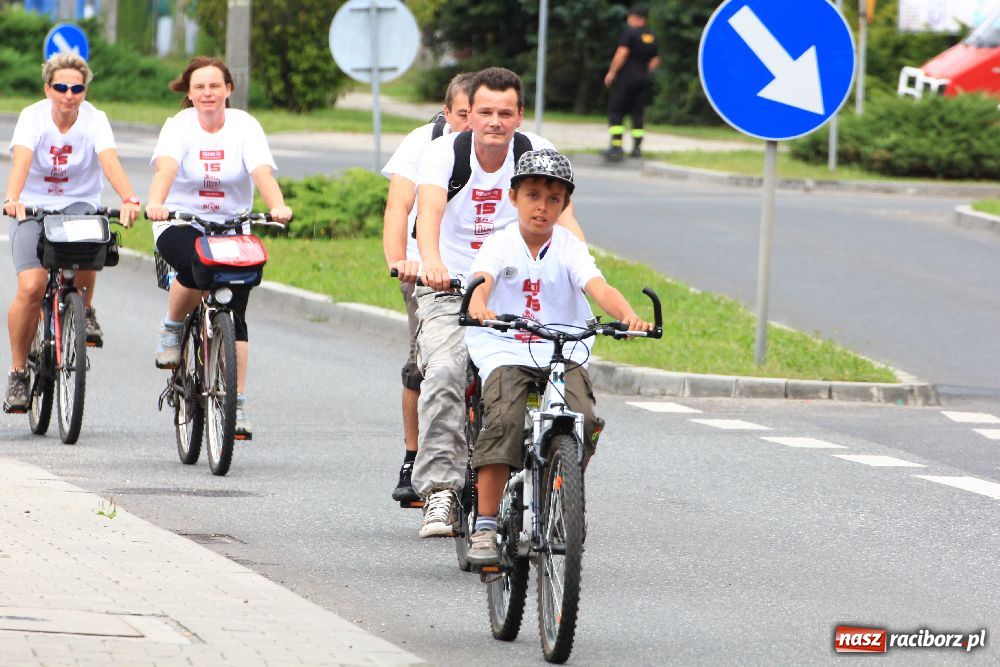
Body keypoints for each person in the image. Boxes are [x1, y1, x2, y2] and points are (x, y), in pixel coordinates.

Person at [412, 67, 585, 538]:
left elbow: (566, 224)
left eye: (504, 113)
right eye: (484, 111)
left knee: (558, 370)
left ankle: (553, 475)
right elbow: (427, 214)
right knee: (446, 368)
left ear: (519, 116)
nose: (494, 121)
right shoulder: (444, 153)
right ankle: (442, 491)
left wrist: (585, 274)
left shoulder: (536, 152)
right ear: (470, 115)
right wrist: (430, 262)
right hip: (451, 284)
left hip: (516, 284)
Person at [462, 149, 654, 565]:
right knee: (505, 422)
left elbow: (597, 286)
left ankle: (563, 495)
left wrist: (628, 316)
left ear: (564, 206)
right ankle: (486, 525)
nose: (542, 207)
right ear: (513, 197)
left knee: (582, 419)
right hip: (505, 346)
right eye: (533, 195)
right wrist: (479, 304)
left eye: (554, 200)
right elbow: (483, 280)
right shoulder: (499, 243)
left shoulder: (568, 247)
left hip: (562, 347)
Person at [145, 56, 292, 439]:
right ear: (189, 93)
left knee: (236, 314)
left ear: (228, 89)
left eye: (215, 86)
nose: (207, 93)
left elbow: (262, 172)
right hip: (181, 222)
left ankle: (236, 404)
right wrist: (156, 202)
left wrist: (277, 206)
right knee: (196, 268)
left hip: (231, 227)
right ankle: (172, 327)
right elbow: (166, 170)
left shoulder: (245, 126)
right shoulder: (179, 126)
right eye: (199, 87)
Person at [3, 53, 140, 413]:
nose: (69, 94)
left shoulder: (96, 120)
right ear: (48, 88)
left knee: (92, 239)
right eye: (61, 87)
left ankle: (85, 310)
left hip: (79, 205)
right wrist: (13, 198)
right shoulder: (32, 117)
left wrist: (129, 198)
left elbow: (109, 160)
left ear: (84, 90)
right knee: (32, 287)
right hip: (34, 207)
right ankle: (18, 371)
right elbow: (22, 160)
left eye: (77, 88)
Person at [383, 72, 475, 503]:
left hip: (491, 273)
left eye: (483, 114)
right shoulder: (425, 143)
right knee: (422, 364)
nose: (473, 123)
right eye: (463, 115)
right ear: (446, 111)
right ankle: (414, 455)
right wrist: (400, 260)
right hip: (429, 269)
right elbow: (399, 206)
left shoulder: (509, 147)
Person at [603, 4, 661, 160]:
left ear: (636, 18)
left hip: (625, 80)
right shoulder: (650, 36)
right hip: (641, 80)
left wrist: (612, 72)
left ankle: (616, 146)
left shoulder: (630, 33)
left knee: (617, 111)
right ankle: (636, 148)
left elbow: (622, 53)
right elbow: (655, 59)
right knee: (637, 114)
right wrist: (643, 72)